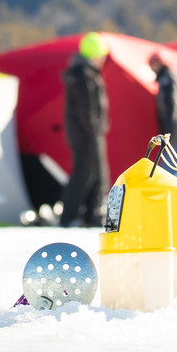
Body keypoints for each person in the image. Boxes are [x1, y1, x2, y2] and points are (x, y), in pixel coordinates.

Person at [60, 32, 110, 228]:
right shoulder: (85, 75)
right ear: (96, 54)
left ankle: (89, 215)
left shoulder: (81, 73)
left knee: (89, 173)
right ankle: (83, 215)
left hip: (84, 133)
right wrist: (94, 132)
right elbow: (87, 109)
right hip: (88, 134)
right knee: (92, 173)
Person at [148, 51, 177, 147]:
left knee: (173, 160)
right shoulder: (168, 78)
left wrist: (169, 132)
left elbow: (173, 104)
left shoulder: (167, 80)